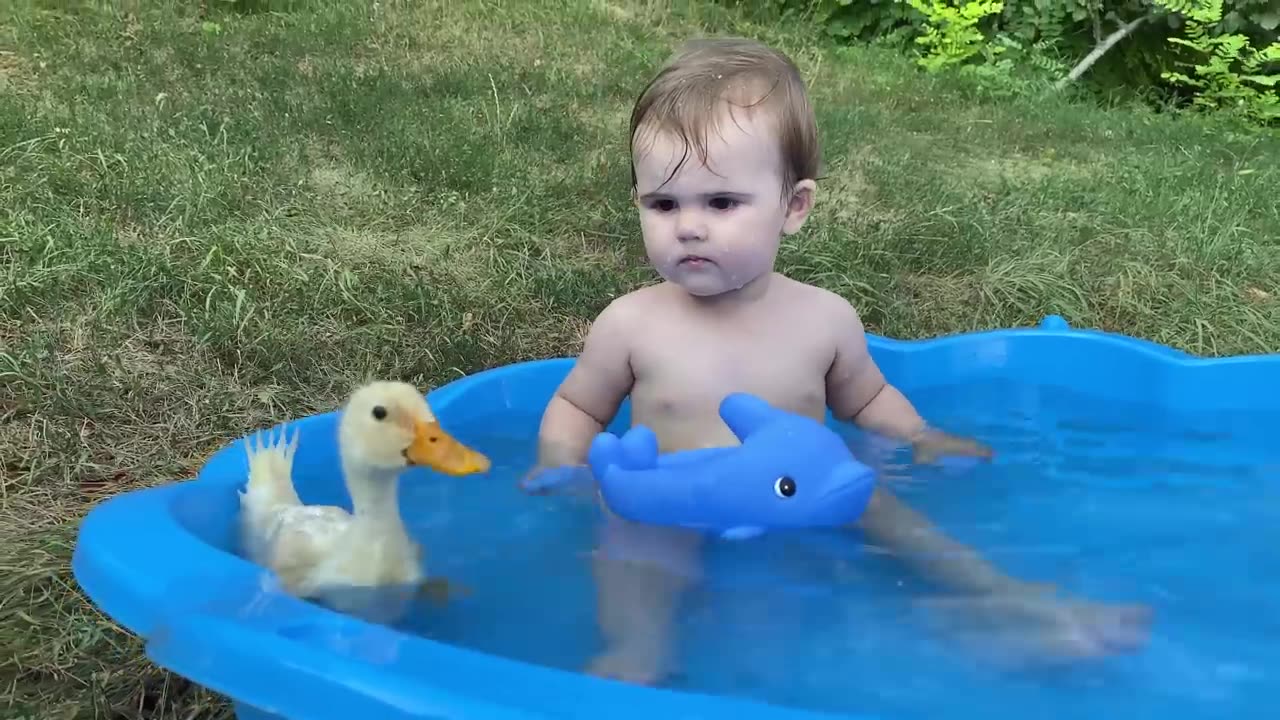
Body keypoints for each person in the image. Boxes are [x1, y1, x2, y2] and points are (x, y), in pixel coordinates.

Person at [523, 37, 1152, 685]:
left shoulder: (824, 318)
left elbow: (865, 398)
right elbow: (579, 404)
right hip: (669, 498)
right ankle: (634, 654)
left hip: (801, 495)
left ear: (793, 207)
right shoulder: (632, 323)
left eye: (721, 203)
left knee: (886, 515)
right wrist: (560, 461)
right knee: (632, 553)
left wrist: (919, 436)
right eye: (664, 204)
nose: (688, 226)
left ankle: (1004, 599)